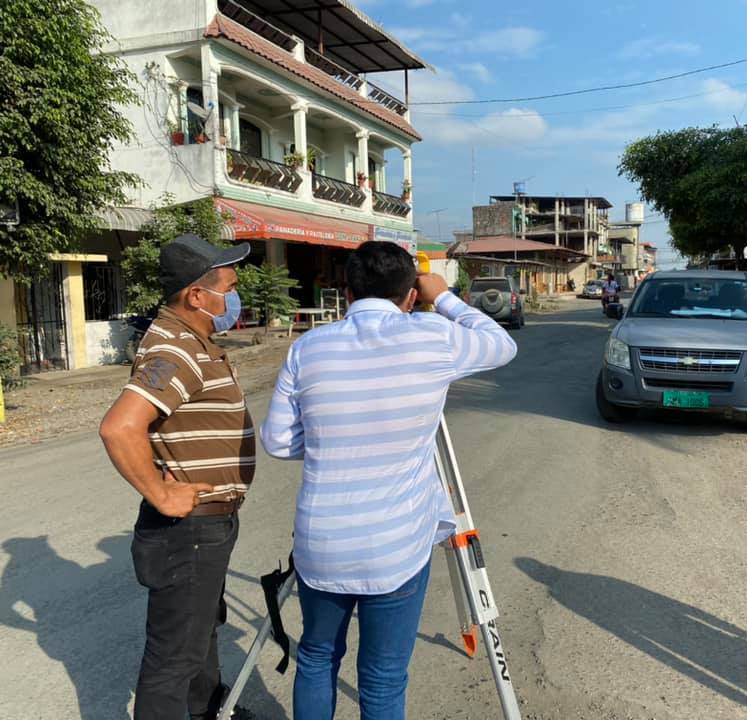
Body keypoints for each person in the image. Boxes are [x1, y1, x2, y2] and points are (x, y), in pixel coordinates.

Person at [260, 241, 517, 720]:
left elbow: (277, 440)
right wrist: (443, 297)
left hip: (323, 542)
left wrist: (333, 443)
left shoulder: (308, 347)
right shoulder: (434, 336)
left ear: (347, 291)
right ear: (411, 294)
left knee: (316, 657)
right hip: (396, 547)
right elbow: (502, 344)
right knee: (382, 676)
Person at [99, 234, 256, 720]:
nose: (234, 297)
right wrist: (161, 494)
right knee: (174, 659)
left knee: (200, 634)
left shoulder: (190, 341)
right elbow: (119, 427)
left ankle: (207, 711)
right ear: (196, 295)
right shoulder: (176, 349)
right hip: (188, 530)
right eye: (229, 288)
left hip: (204, 528)